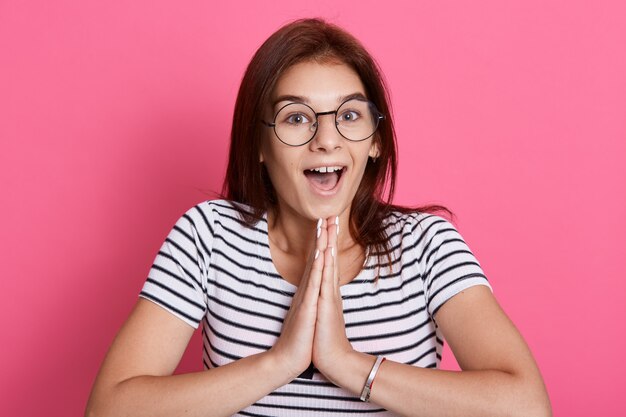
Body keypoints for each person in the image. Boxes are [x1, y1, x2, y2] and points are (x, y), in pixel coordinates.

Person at [85, 18, 551, 417]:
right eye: (296, 118)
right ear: (260, 146)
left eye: (348, 115)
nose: (326, 139)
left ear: (375, 142)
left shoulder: (427, 244)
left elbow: (526, 405)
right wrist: (281, 362)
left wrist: (345, 363)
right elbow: (111, 407)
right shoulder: (209, 235)